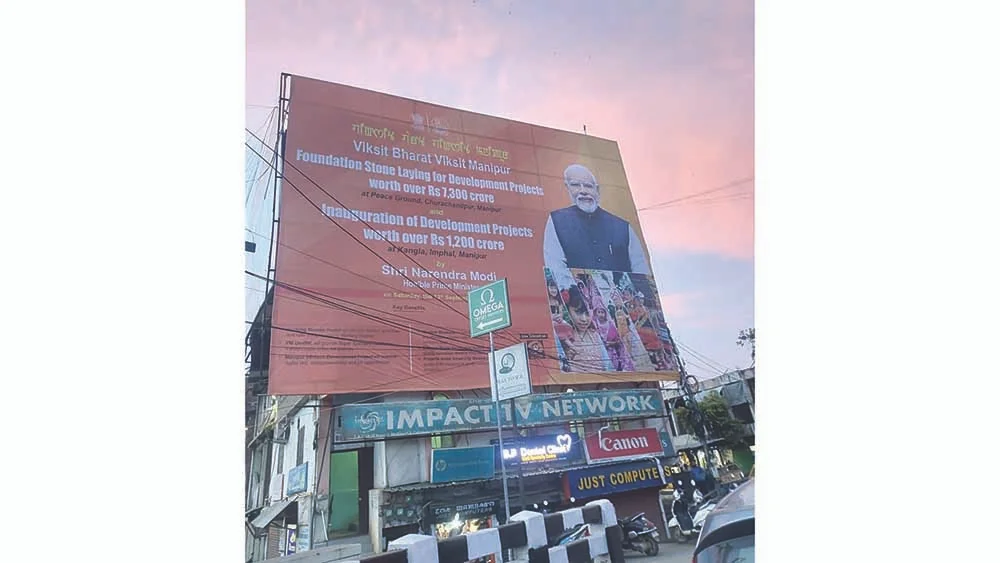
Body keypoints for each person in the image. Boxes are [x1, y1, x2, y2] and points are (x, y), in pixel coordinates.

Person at [543, 164, 651, 290]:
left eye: (588, 186)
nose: (583, 190)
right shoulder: (557, 221)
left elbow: (641, 270)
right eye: (576, 185)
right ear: (567, 188)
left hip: (627, 304)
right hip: (581, 302)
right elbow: (556, 268)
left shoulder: (623, 227)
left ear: (597, 190)